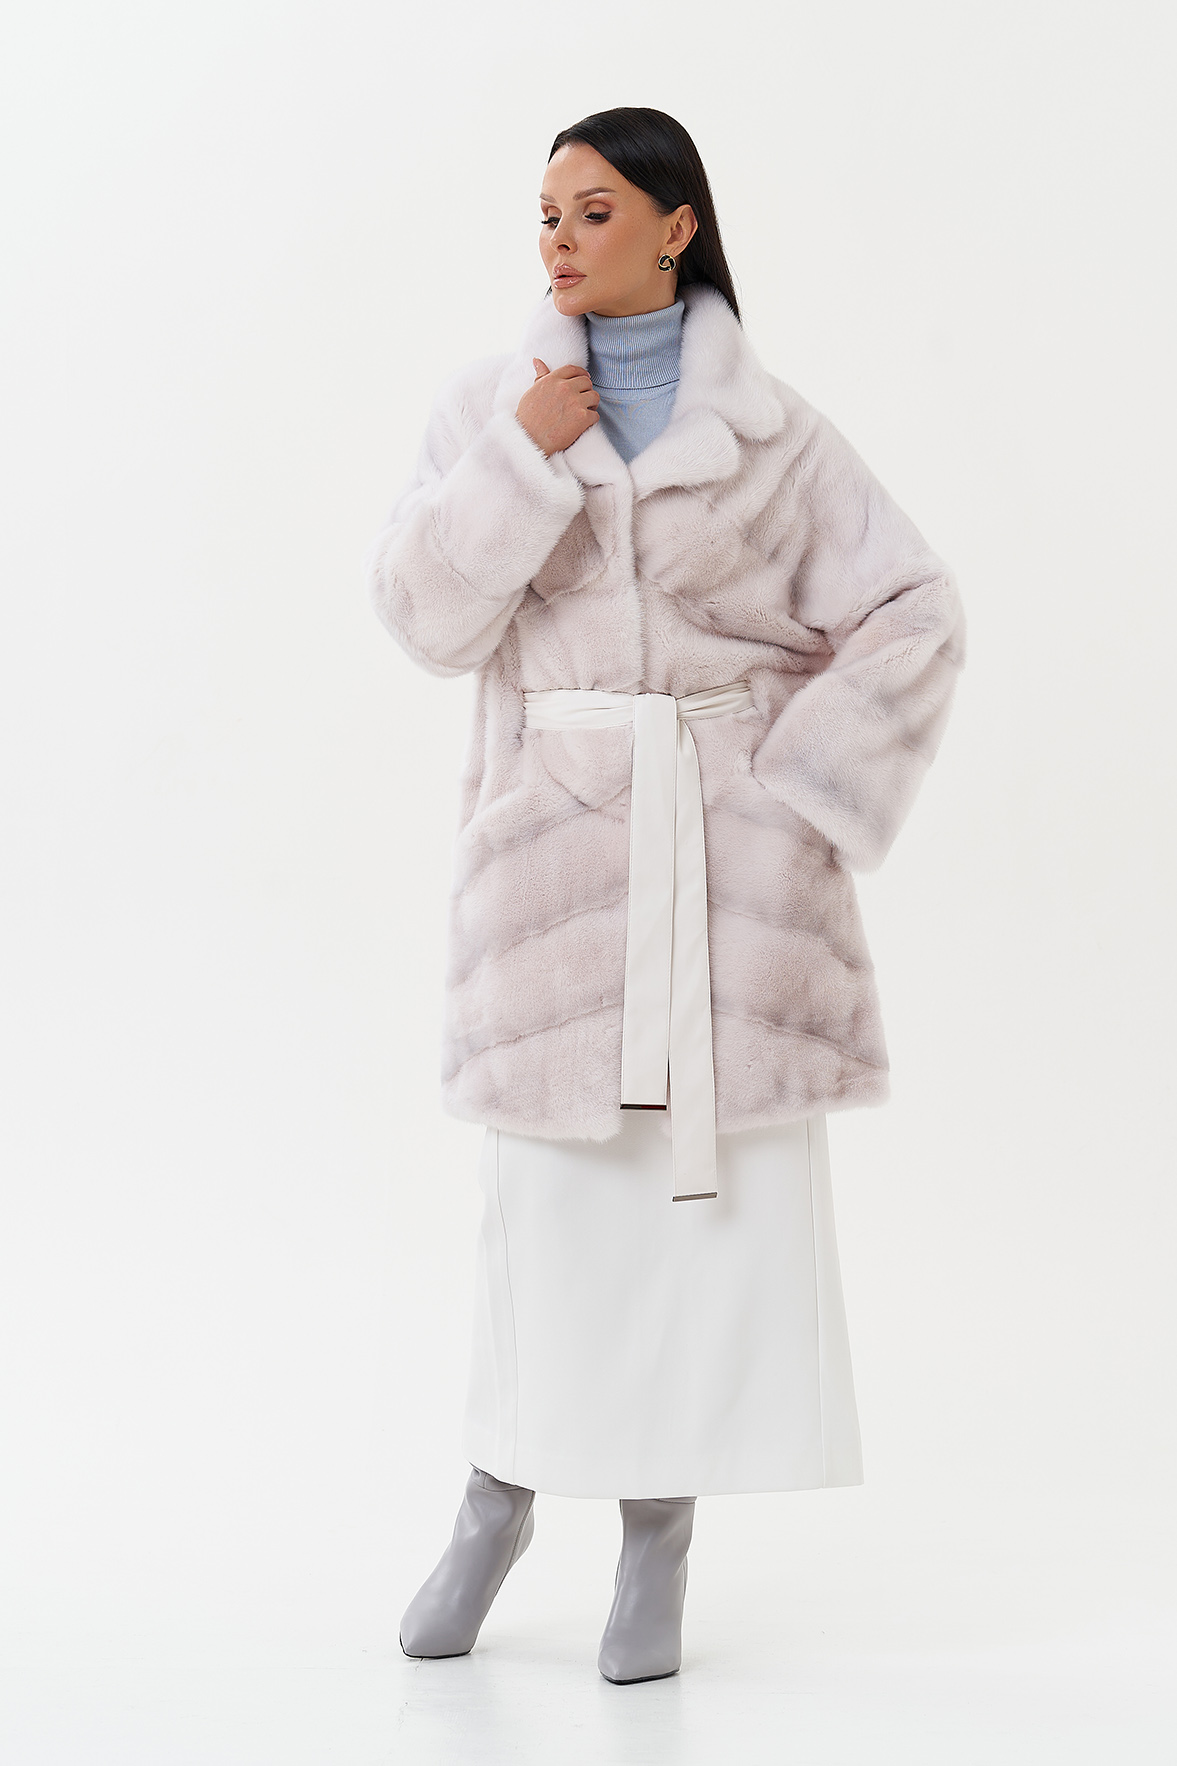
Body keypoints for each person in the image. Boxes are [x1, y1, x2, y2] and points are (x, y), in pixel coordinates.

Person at [365, 106, 965, 1685]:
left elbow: (912, 607)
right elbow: (423, 618)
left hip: (722, 877)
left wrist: (801, 790)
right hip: (549, 879)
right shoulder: (488, 406)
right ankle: (495, 1502)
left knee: (697, 1237)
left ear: (676, 224)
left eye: (592, 210)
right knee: (544, 1223)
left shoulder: (777, 437)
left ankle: (655, 1539)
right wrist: (522, 458)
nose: (558, 240)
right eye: (544, 214)